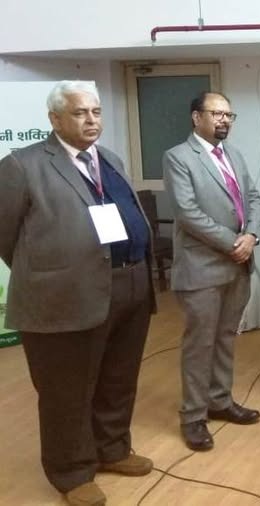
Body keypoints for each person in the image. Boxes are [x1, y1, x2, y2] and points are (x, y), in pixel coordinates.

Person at [0, 80, 155, 506]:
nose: (91, 120)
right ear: (54, 119)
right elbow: (6, 236)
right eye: (79, 112)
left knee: (118, 378)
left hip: (129, 286)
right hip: (63, 296)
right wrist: (51, 271)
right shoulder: (22, 165)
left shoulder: (110, 159)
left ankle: (112, 449)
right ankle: (71, 471)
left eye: (96, 112)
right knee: (65, 389)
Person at [163, 91, 260, 452]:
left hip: (239, 263)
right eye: (217, 113)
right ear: (196, 117)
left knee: (225, 338)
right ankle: (193, 416)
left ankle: (220, 400)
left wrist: (251, 236)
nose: (224, 120)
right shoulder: (178, 157)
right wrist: (234, 242)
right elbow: (187, 212)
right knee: (200, 344)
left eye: (228, 115)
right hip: (202, 267)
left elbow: (253, 198)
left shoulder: (233, 154)